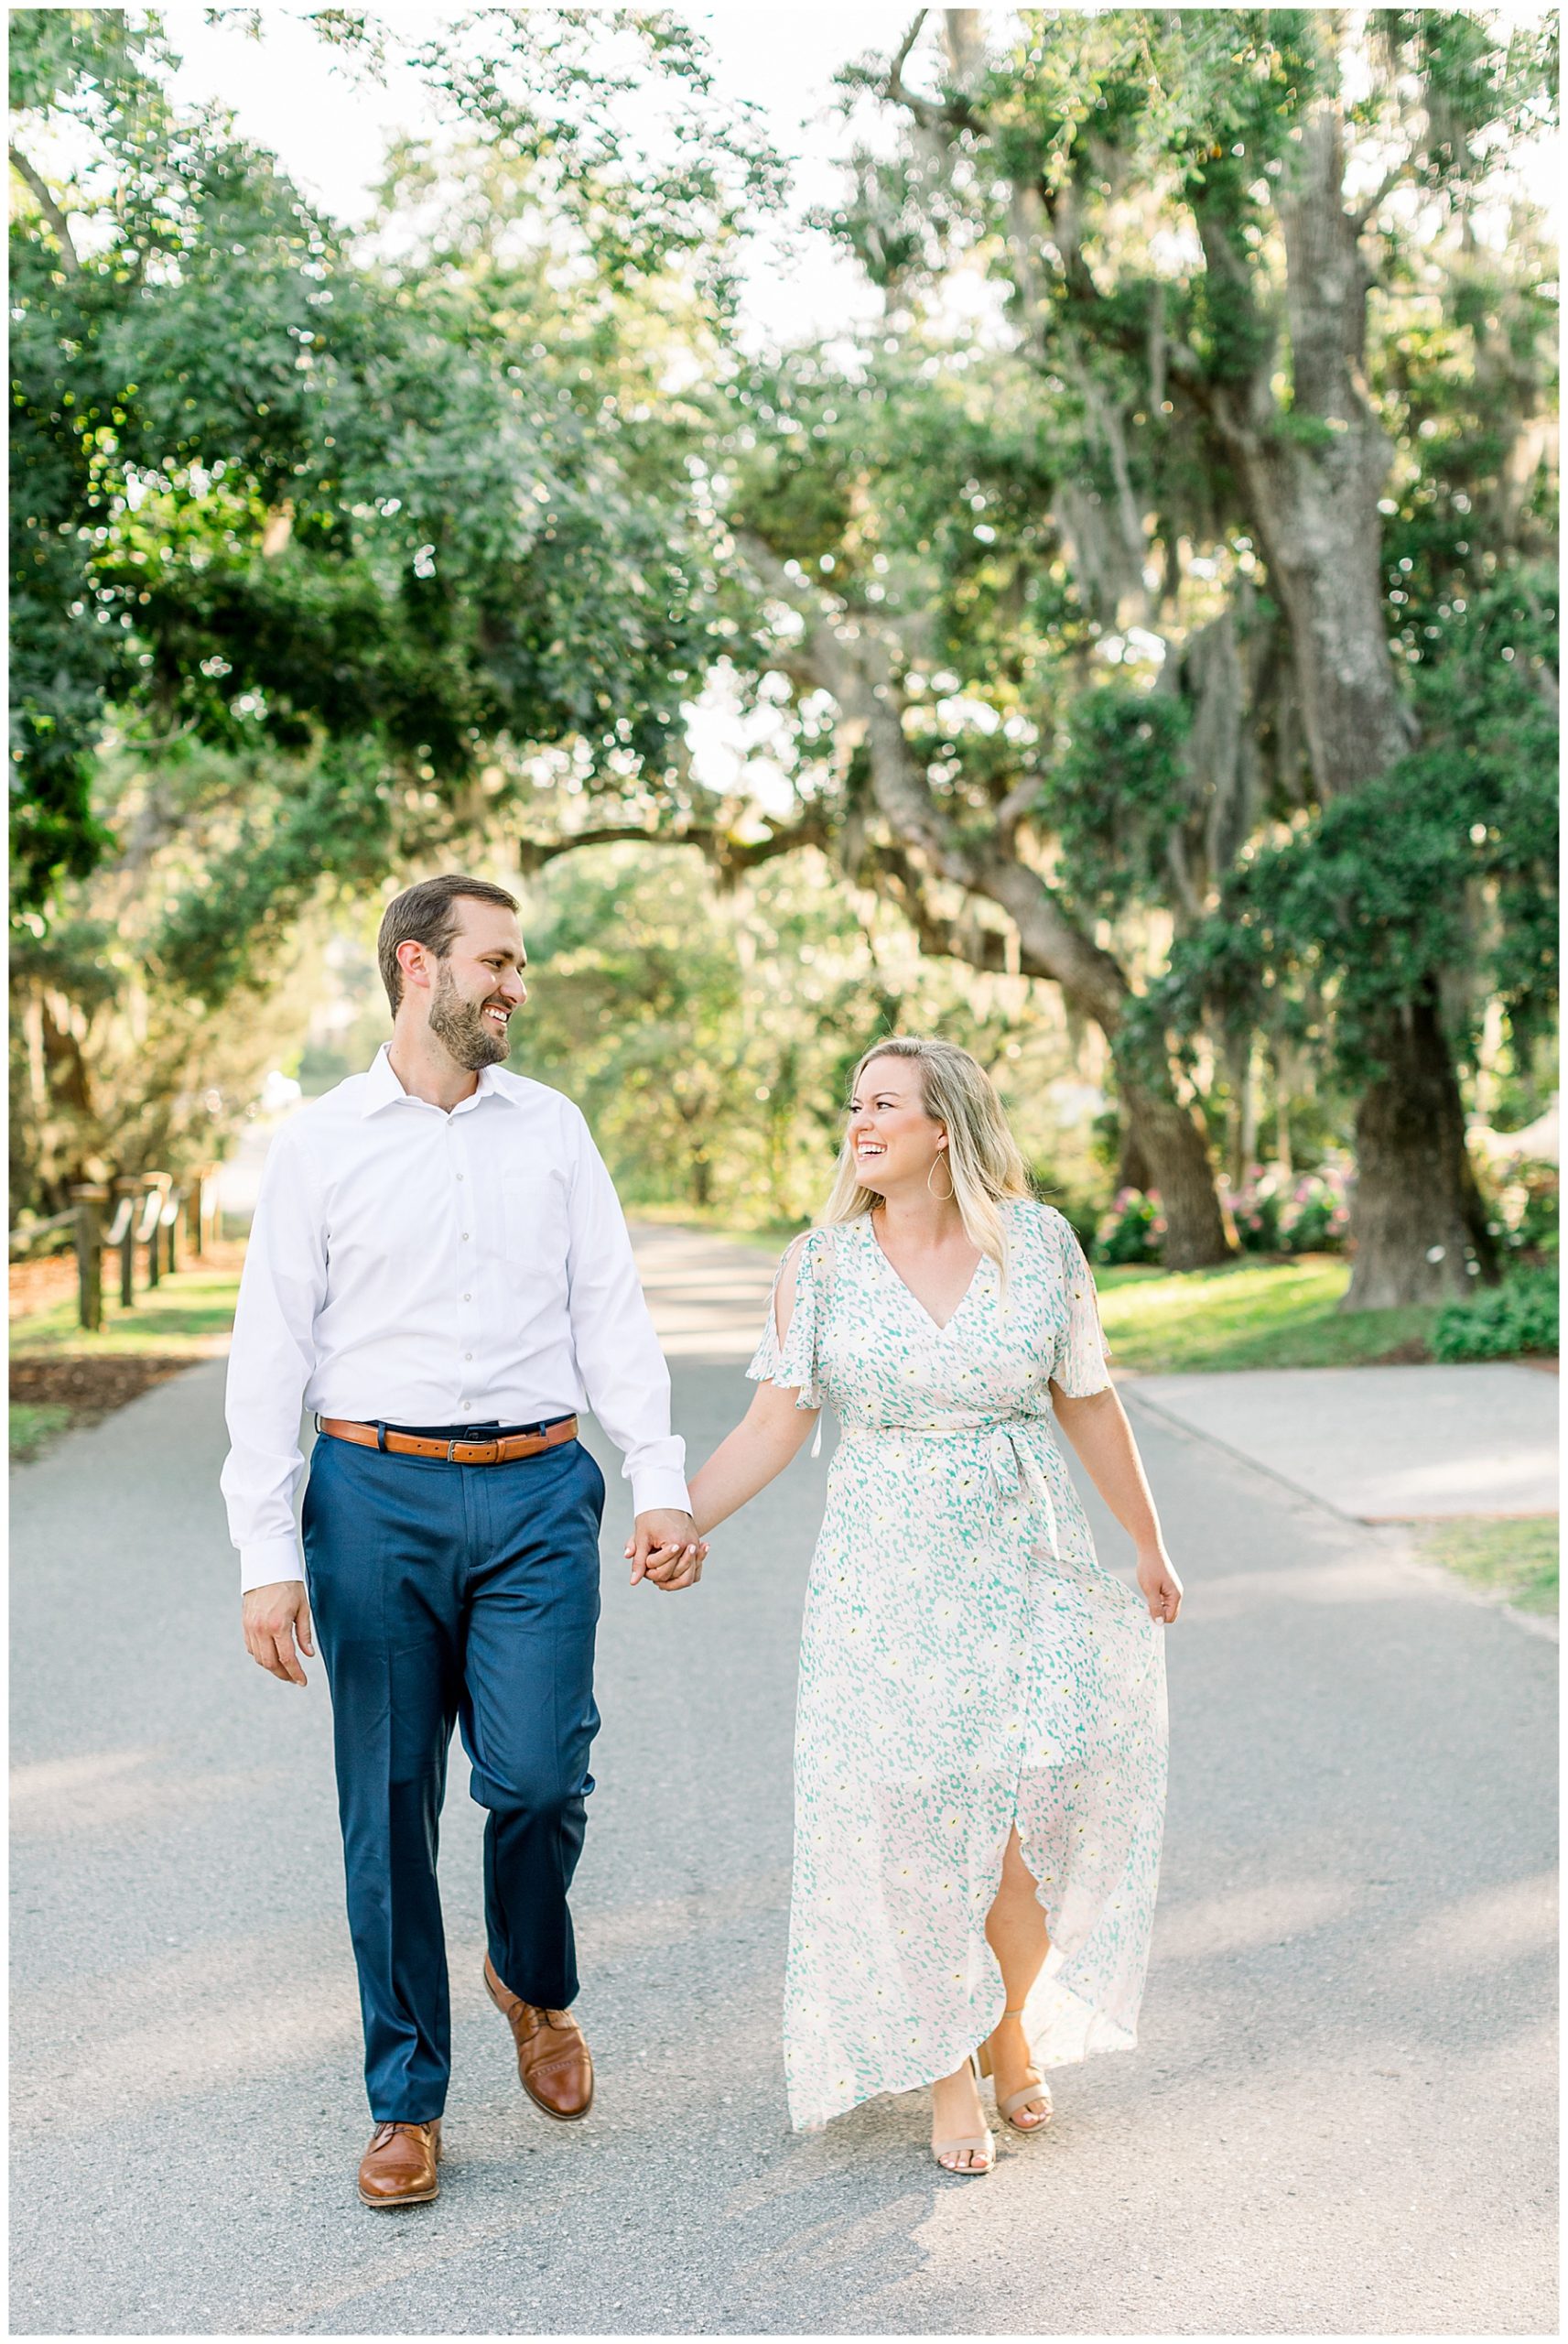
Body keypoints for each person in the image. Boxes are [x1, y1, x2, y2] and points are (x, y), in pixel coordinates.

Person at [222, 872, 705, 2209]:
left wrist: (655, 1478)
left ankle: (532, 1983)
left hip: (540, 1488)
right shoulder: (320, 1145)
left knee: (541, 1778)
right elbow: (271, 1357)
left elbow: (612, 1315)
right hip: (371, 1495)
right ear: (415, 967)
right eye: (496, 961)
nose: (516, 985)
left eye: (519, 963)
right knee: (386, 1805)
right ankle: (405, 2100)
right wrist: (268, 1555)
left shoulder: (551, 1131)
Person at [673, 1036, 1180, 2175]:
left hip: (1029, 1548)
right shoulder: (822, 1264)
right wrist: (681, 1518)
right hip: (885, 1569)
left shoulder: (1040, 1244)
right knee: (912, 1822)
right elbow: (772, 1421)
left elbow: (1089, 1401)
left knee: (1042, 1808)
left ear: (945, 1124)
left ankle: (1006, 2021)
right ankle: (951, 2065)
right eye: (854, 1104)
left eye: (885, 1104)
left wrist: (1147, 1541)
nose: (860, 1123)